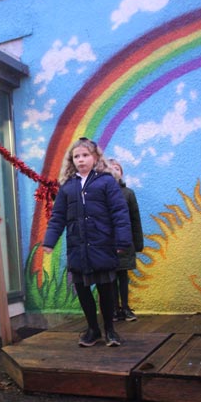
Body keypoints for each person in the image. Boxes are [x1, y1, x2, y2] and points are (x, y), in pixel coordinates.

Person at [43, 137, 132, 347]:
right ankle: (93, 329)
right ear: (71, 160)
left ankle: (110, 329)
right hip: (78, 248)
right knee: (82, 290)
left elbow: (120, 213)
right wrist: (49, 241)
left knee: (106, 288)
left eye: (85, 155)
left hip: (102, 245)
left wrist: (122, 241)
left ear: (95, 157)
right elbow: (57, 217)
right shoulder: (67, 187)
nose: (81, 160)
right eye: (76, 156)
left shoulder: (107, 181)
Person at [107, 159, 144, 322]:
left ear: (121, 172)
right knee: (110, 277)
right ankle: (115, 309)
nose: (115, 171)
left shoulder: (128, 193)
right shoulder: (103, 193)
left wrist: (138, 243)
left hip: (125, 241)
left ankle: (126, 307)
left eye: (117, 168)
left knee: (123, 276)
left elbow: (135, 219)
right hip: (108, 243)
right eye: (111, 168)